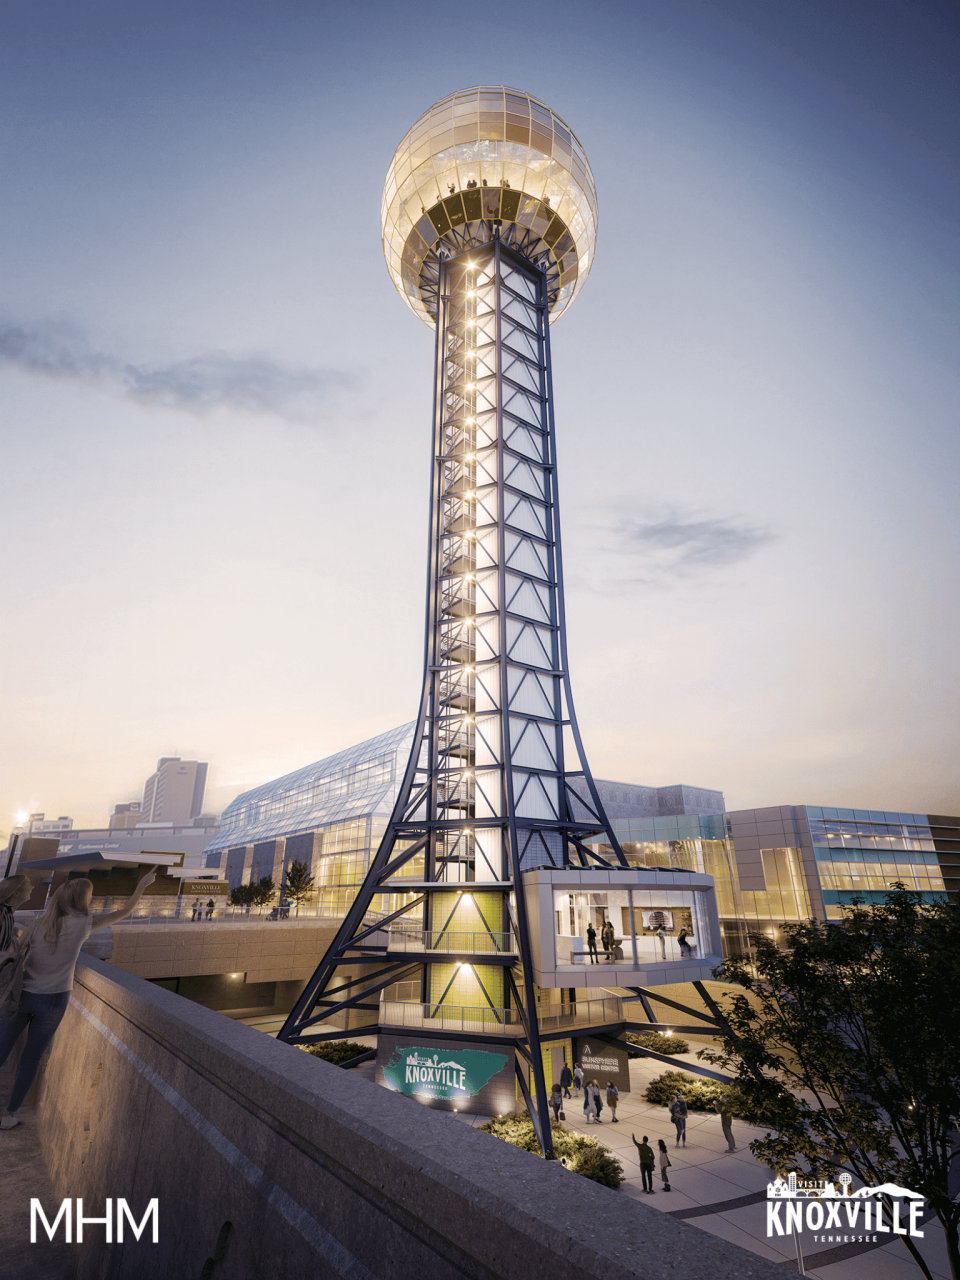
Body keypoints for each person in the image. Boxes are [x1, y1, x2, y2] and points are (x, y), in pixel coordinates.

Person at [0, 869, 157, 1130]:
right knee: (31, 1059)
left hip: (24, 996)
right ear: (83, 899)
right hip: (54, 1001)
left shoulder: (40, 923)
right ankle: (8, 1114)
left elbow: (15, 951)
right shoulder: (84, 923)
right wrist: (141, 886)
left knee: (1, 1049)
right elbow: (125, 912)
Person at [0, 875, 33, 952]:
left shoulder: (6, 912)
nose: (32, 887)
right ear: (16, 893)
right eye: (28, 884)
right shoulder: (4, 913)